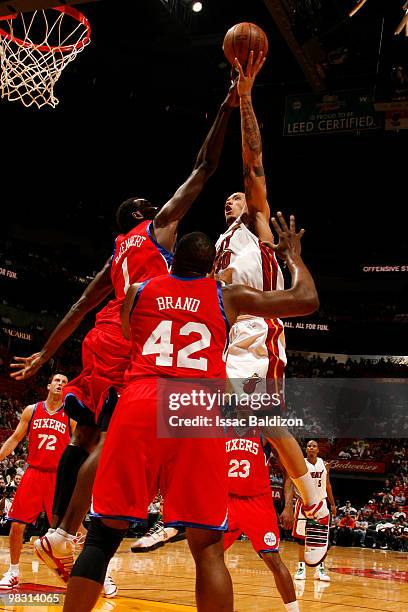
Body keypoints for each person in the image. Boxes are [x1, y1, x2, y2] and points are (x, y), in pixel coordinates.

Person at [10, 82, 239, 587]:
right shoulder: (154, 231)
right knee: (116, 437)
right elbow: (204, 169)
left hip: (101, 337)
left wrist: (45, 354)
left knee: (90, 435)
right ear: (145, 215)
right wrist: (226, 104)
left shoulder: (115, 253)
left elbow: (76, 308)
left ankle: (65, 532)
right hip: (131, 336)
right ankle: (65, 533)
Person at [62, 212, 319, 612]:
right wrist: (293, 257)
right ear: (211, 265)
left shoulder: (139, 290)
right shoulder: (224, 294)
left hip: (142, 401)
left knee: (101, 537)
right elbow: (306, 300)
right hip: (196, 406)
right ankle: (311, 493)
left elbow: (130, 333)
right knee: (209, 547)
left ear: (173, 259)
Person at [214, 52, 329, 564]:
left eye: (238, 197)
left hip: (261, 330)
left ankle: (314, 502)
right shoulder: (219, 241)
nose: (231, 201)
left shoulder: (257, 225)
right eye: (230, 200)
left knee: (264, 422)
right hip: (225, 338)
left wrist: (245, 99)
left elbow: (252, 161)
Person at [0, 374, 73, 589]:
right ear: (49, 385)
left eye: (64, 382)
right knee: (16, 525)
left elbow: (81, 447)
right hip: (33, 472)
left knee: (69, 531)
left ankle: (82, 573)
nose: (60, 384)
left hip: (58, 477)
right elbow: (14, 438)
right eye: (57, 381)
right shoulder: (32, 410)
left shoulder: (71, 414)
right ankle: (13, 571)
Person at [225, 435, 299, 612]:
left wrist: (288, 505)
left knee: (273, 560)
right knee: (209, 558)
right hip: (228, 501)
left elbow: (289, 471)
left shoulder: (264, 433)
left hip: (257, 503)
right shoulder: (223, 429)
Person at [280, 440, 335, 582]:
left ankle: (320, 570)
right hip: (304, 504)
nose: (311, 447)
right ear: (306, 449)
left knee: (321, 539)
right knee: (302, 539)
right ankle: (301, 568)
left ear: (318, 449)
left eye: (314, 446)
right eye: (309, 446)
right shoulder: (300, 464)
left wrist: (333, 504)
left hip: (321, 504)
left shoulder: (325, 464)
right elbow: (291, 483)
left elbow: (327, 484)